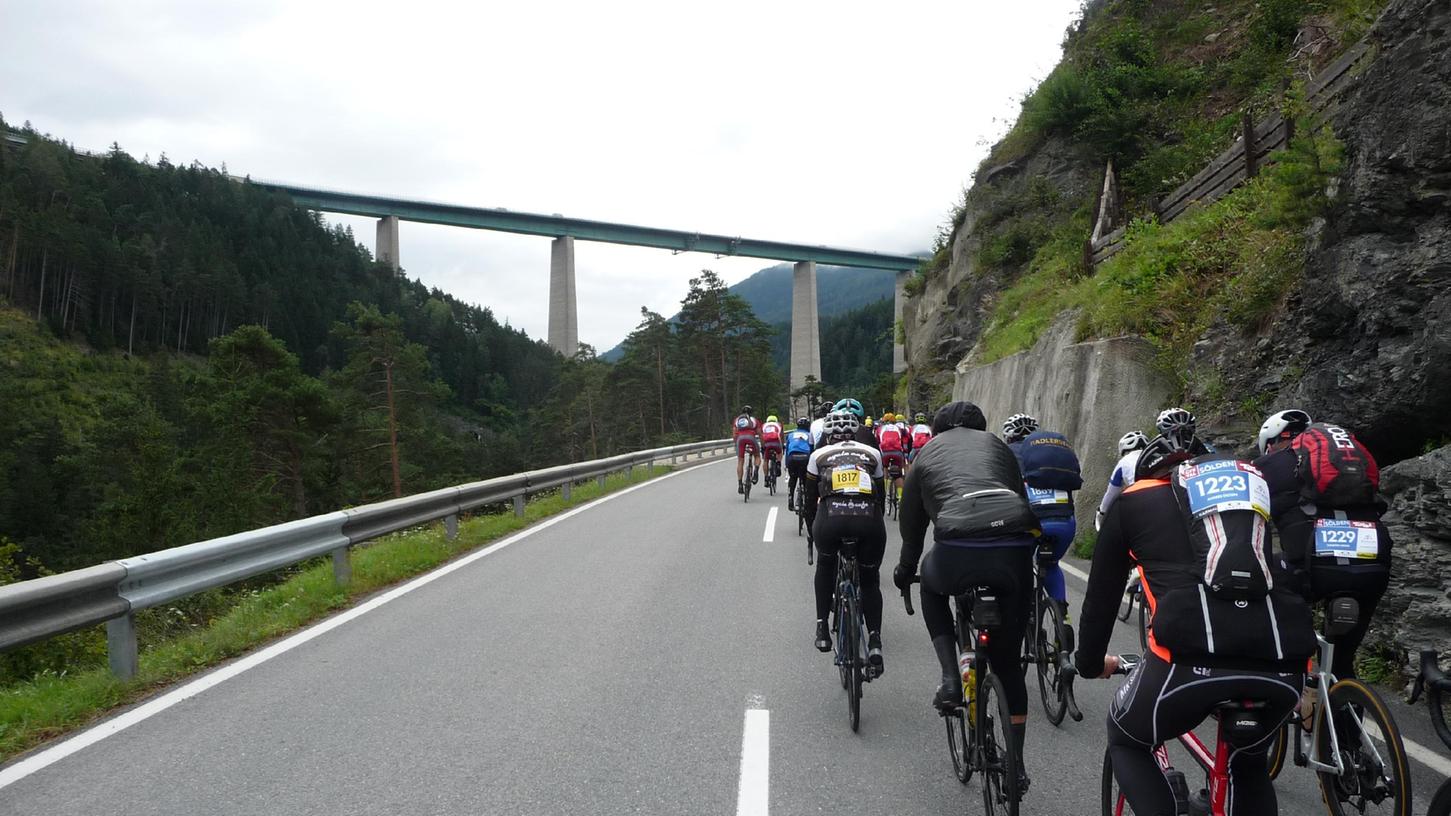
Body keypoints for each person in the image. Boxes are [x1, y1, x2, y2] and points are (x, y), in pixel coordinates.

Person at [1076, 410, 1315, 816]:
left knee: (1127, 738)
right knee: (1247, 763)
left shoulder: (1133, 501)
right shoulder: (1244, 505)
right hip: (1281, 662)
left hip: (1186, 663)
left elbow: (1101, 598)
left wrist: (1088, 663)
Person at [894, 400, 1041, 795]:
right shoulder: (1000, 447)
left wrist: (906, 570)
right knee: (1008, 665)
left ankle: (950, 678)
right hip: (1013, 543)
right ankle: (1017, 767)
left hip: (958, 546)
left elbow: (912, 527)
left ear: (939, 430)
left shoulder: (926, 454)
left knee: (931, 584)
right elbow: (1020, 496)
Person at [1252, 410, 1391, 686]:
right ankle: (1345, 704)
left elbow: (1249, 527)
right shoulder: (1348, 463)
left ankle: (1289, 677)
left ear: (1270, 443)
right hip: (1374, 566)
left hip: (1313, 569)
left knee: (1265, 584)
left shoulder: (1267, 467)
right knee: (1342, 664)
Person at [806, 410, 887, 677]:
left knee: (826, 565)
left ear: (826, 434)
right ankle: (874, 641)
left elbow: (809, 503)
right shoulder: (872, 454)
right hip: (868, 522)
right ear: (856, 431)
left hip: (831, 521)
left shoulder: (818, 456)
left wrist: (812, 533)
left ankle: (821, 629)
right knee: (870, 579)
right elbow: (880, 498)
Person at [1006, 414, 1083, 631]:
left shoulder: (1008, 454)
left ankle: (1025, 615)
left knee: (1019, 566)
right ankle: (1063, 619)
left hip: (1030, 522)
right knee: (1051, 565)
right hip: (1065, 522)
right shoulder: (1054, 457)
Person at [1095, 430, 1151, 531]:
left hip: (1142, 498)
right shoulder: (1154, 455)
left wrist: (1101, 512)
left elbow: (1111, 493)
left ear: (1125, 450)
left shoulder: (1123, 462)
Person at [784, 417, 814, 512]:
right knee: (806, 480)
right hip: (805, 457)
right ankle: (806, 500)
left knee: (793, 479)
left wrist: (786, 464)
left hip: (792, 457)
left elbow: (787, 450)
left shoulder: (790, 435)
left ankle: (790, 498)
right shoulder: (809, 435)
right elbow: (812, 450)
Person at [876, 411, 908, 498]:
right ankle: (900, 497)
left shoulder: (880, 429)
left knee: (885, 469)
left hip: (885, 452)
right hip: (897, 452)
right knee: (898, 475)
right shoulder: (899, 428)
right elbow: (904, 440)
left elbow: (877, 442)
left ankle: (885, 491)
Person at [732, 405, 761, 494]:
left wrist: (736, 444)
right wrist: (763, 446)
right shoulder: (754, 420)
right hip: (751, 438)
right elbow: (760, 434)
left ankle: (740, 484)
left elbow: (734, 435)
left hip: (740, 439)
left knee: (740, 461)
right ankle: (755, 472)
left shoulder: (737, 420)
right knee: (757, 455)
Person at [760, 414, 784, 480]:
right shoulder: (779, 424)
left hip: (767, 442)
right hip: (776, 441)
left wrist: (762, 447)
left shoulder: (763, 425)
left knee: (765, 460)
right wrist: (782, 446)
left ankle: (766, 478)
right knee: (779, 453)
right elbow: (782, 437)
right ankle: (778, 464)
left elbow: (761, 437)